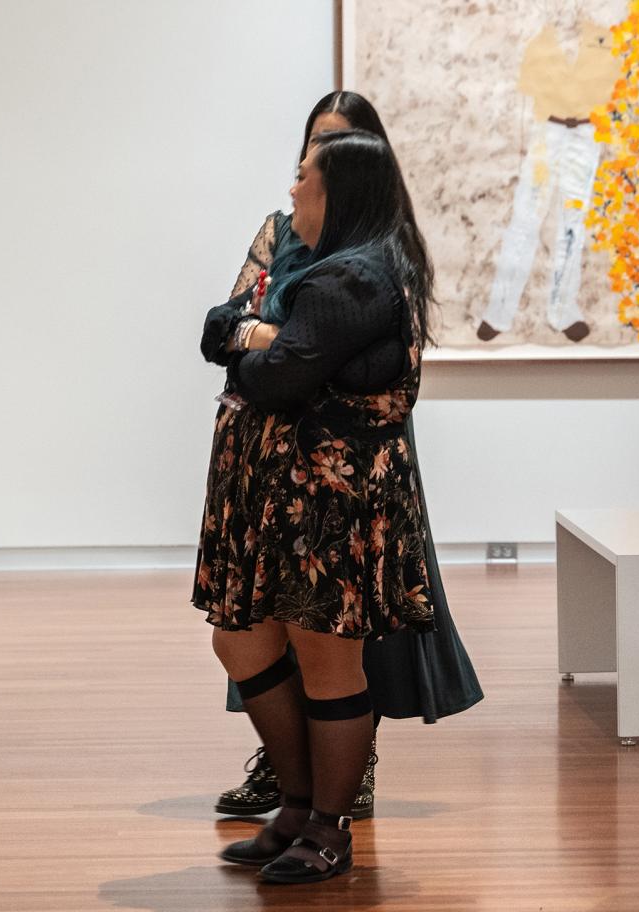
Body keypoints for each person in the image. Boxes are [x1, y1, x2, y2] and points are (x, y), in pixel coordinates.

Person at [210, 91, 482, 823]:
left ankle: (326, 801)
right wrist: (261, 341)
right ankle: (301, 789)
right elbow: (222, 327)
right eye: (308, 151)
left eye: (328, 154)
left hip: (332, 471)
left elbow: (282, 361)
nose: (302, 176)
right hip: (274, 470)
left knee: (333, 638)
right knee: (264, 629)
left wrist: (264, 343)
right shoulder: (287, 234)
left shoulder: (365, 267)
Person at [476, 12, 621, 343]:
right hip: (547, 132)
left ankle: (563, 311)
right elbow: (526, 103)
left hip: (586, 135)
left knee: (573, 223)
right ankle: (499, 313)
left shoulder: (604, 40)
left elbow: (614, 93)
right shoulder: (539, 41)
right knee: (526, 218)